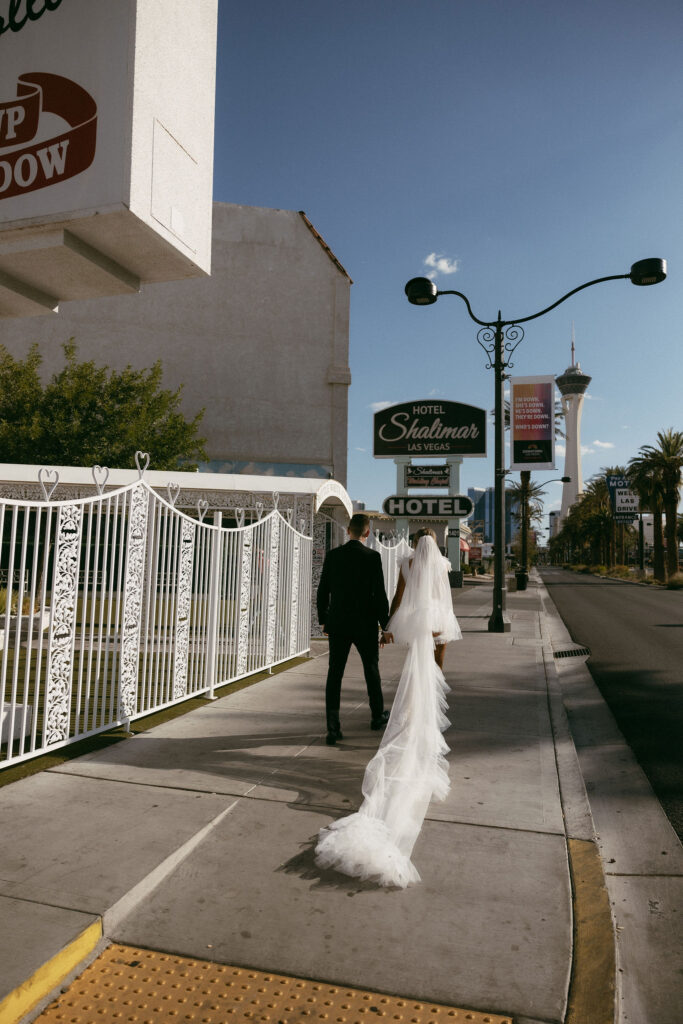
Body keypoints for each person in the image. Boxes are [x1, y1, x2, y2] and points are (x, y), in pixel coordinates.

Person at [315, 529, 460, 887]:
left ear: (414, 544)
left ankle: (358, 721)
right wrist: (441, 623)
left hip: (407, 619)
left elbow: (396, 595)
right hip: (437, 616)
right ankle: (408, 714)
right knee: (429, 668)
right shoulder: (441, 562)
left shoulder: (406, 562)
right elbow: (444, 596)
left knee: (405, 668)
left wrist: (390, 624)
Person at [317, 512, 391, 746]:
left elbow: (322, 591)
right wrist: (385, 625)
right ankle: (377, 716)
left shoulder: (333, 556)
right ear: (367, 533)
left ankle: (332, 728)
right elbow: (379, 594)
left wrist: (323, 620)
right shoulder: (373, 557)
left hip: (338, 622)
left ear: (348, 531)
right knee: (371, 669)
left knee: (334, 674)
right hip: (365, 623)